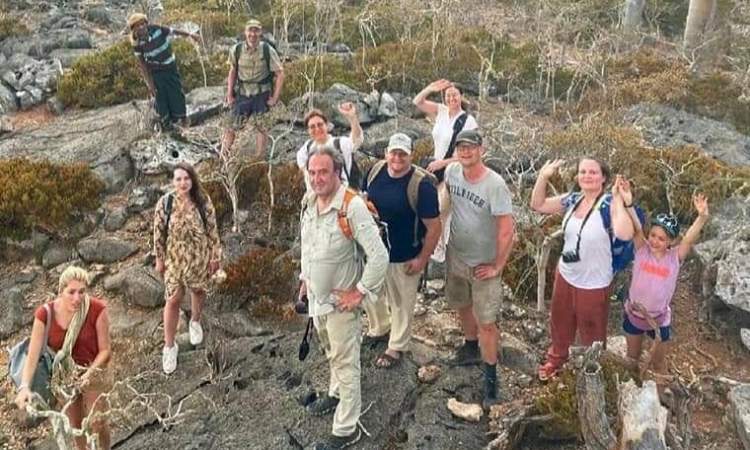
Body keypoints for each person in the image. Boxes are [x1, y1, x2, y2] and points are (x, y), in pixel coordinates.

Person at [299, 146, 388, 449]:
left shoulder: (352, 207)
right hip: (317, 300)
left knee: (347, 363)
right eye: (312, 172)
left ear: (337, 172)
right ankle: (335, 394)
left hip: (341, 306)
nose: (317, 178)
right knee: (331, 352)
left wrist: (359, 292)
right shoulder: (309, 202)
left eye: (323, 172)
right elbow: (309, 245)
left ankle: (347, 428)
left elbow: (379, 256)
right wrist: (304, 281)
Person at [530, 158, 634, 381]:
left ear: (603, 177)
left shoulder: (608, 205)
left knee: (592, 332)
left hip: (594, 283)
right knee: (560, 322)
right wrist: (543, 177)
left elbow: (625, 233)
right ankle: (556, 360)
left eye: (593, 172)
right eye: (583, 171)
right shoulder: (573, 200)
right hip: (566, 275)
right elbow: (538, 205)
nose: (587, 176)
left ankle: (592, 371)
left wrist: (618, 199)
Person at [443, 130, 514, 409]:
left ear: (481, 150)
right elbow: (446, 202)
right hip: (457, 255)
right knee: (462, 303)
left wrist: (498, 266)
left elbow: (507, 230)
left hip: (484, 264)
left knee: (487, 321)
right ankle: (470, 346)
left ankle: (491, 380)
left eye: (471, 147)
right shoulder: (452, 172)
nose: (465, 152)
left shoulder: (494, 185)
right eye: (461, 147)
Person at [360, 133, 441, 368]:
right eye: (394, 152)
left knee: (401, 302)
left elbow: (434, 227)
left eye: (403, 154)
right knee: (370, 293)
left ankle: (396, 345)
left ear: (411, 156)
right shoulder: (374, 172)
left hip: (405, 253)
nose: (397, 158)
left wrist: (422, 259)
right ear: (386, 153)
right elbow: (363, 199)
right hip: (375, 250)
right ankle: (379, 327)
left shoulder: (422, 186)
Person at [14, 266, 112, 450]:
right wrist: (24, 386)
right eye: (71, 292)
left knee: (98, 421)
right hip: (64, 375)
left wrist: (89, 374)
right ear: (61, 291)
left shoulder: (97, 309)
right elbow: (32, 355)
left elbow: (105, 351)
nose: (77, 298)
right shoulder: (45, 314)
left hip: (94, 368)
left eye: (82, 292)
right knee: (76, 425)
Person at [620, 182, 709, 378]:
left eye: (661, 239)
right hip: (635, 315)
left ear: (671, 241)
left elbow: (688, 239)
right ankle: (631, 385)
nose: (654, 241)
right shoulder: (642, 250)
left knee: (659, 363)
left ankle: (661, 390)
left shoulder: (674, 258)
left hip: (658, 320)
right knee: (632, 357)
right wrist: (628, 204)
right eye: (653, 235)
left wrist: (702, 217)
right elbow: (637, 229)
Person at [153, 162, 222, 374]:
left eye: (186, 178)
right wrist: (159, 259)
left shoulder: (203, 201)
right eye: (179, 179)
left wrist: (215, 256)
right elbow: (158, 233)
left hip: (199, 256)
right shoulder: (165, 203)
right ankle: (169, 346)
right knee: (173, 299)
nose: (183, 183)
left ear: (192, 179)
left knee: (198, 290)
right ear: (173, 182)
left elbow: (212, 230)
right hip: (174, 259)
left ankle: (195, 321)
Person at [412, 79, 478, 262]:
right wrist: (430, 88)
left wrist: (443, 163)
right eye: (448, 95)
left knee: (441, 209)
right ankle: (433, 246)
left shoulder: (468, 121)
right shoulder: (441, 111)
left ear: (461, 96)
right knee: (428, 206)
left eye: (455, 95)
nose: (451, 98)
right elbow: (417, 102)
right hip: (435, 168)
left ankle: (439, 250)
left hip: (454, 169)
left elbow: (470, 154)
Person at [222, 18, 285, 157]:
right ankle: (223, 157)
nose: (253, 34)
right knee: (231, 126)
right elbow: (233, 71)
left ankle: (259, 159)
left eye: (256, 31)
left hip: (261, 95)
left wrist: (275, 98)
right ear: (245, 32)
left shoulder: (267, 50)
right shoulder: (236, 50)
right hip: (242, 94)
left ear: (260, 32)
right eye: (250, 30)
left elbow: (280, 74)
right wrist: (229, 94)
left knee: (261, 127)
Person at [128, 13, 200, 132]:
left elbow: (174, 31)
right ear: (134, 29)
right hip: (156, 73)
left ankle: (183, 122)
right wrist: (150, 84)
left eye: (142, 24)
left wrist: (191, 35)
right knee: (161, 99)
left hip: (170, 68)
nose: (141, 27)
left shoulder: (157, 29)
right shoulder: (137, 44)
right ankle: (167, 126)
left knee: (176, 95)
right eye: (137, 26)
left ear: (146, 24)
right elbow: (143, 65)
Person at [296, 105, 363, 191]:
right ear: (308, 131)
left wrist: (352, 117)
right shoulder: (306, 148)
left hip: (340, 195)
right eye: (312, 127)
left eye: (320, 125)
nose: (317, 129)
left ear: (327, 126)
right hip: (316, 197)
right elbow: (305, 171)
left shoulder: (340, 144)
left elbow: (356, 139)